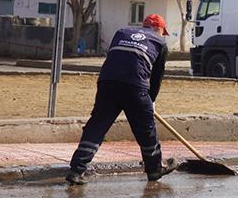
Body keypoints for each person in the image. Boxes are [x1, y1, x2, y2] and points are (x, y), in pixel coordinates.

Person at [66, 14, 178, 185]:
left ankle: (76, 170)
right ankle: (154, 170)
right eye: (163, 32)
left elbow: (116, 59)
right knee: (146, 131)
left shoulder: (121, 33)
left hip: (107, 82)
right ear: (160, 30)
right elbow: (156, 79)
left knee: (97, 125)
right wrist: (151, 101)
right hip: (135, 86)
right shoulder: (160, 43)